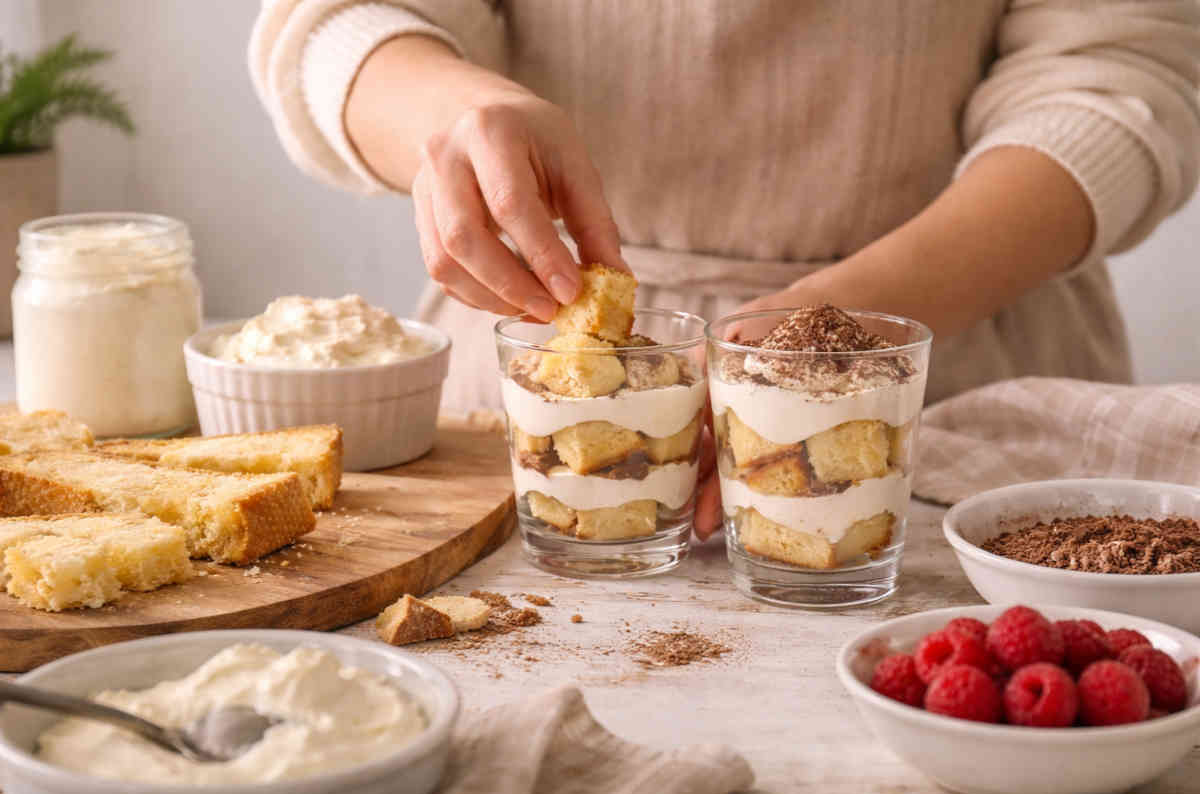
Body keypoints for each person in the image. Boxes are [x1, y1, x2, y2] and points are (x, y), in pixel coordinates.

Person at [250, 1, 1200, 535]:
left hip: (952, 365)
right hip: (530, 390)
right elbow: (335, 25)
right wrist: (455, 118)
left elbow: (1123, 77)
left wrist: (817, 340)